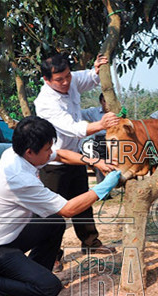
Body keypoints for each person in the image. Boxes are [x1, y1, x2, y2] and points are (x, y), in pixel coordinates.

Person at [0, 116, 121, 296]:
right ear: (30, 152)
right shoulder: (19, 177)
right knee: (48, 288)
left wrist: (96, 162)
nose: (49, 153)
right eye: (46, 149)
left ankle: (31, 275)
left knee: (53, 222)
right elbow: (69, 209)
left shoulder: (15, 152)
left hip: (4, 237)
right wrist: (103, 188)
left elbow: (60, 154)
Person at [34, 53, 119, 255]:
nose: (65, 82)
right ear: (47, 80)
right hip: (53, 161)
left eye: (67, 77)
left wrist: (97, 68)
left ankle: (90, 243)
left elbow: (89, 77)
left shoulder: (70, 80)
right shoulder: (45, 102)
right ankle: (51, 255)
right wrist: (101, 124)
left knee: (83, 203)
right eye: (59, 80)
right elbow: (72, 128)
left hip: (75, 156)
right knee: (53, 212)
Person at [81, 93, 110, 185]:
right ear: (101, 101)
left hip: (115, 141)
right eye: (105, 101)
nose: (108, 104)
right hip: (100, 141)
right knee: (100, 164)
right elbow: (78, 113)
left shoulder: (117, 112)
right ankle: (103, 193)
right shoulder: (94, 112)